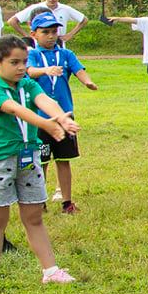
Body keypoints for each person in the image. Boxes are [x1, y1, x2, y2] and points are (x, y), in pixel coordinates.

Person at [0, 34, 78, 294]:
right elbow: (14, 109)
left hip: (28, 158)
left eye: (24, 61)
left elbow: (44, 101)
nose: (21, 67)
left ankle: (51, 271)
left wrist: (61, 117)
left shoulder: (27, 84)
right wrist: (46, 124)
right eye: (14, 62)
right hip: (0, 161)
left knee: (33, 217)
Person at [25, 14, 97, 214]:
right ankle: (39, 200)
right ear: (34, 34)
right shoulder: (33, 54)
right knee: (41, 161)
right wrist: (45, 70)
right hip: (41, 117)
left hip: (64, 115)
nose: (51, 36)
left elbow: (78, 69)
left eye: (54, 31)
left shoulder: (66, 54)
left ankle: (67, 202)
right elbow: (29, 71)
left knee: (64, 159)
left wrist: (87, 81)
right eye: (45, 32)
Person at [8, 0, 88, 42]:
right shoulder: (35, 8)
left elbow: (84, 20)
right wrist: (28, 36)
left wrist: (69, 35)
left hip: (58, 44)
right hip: (39, 44)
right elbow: (12, 21)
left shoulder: (65, 9)